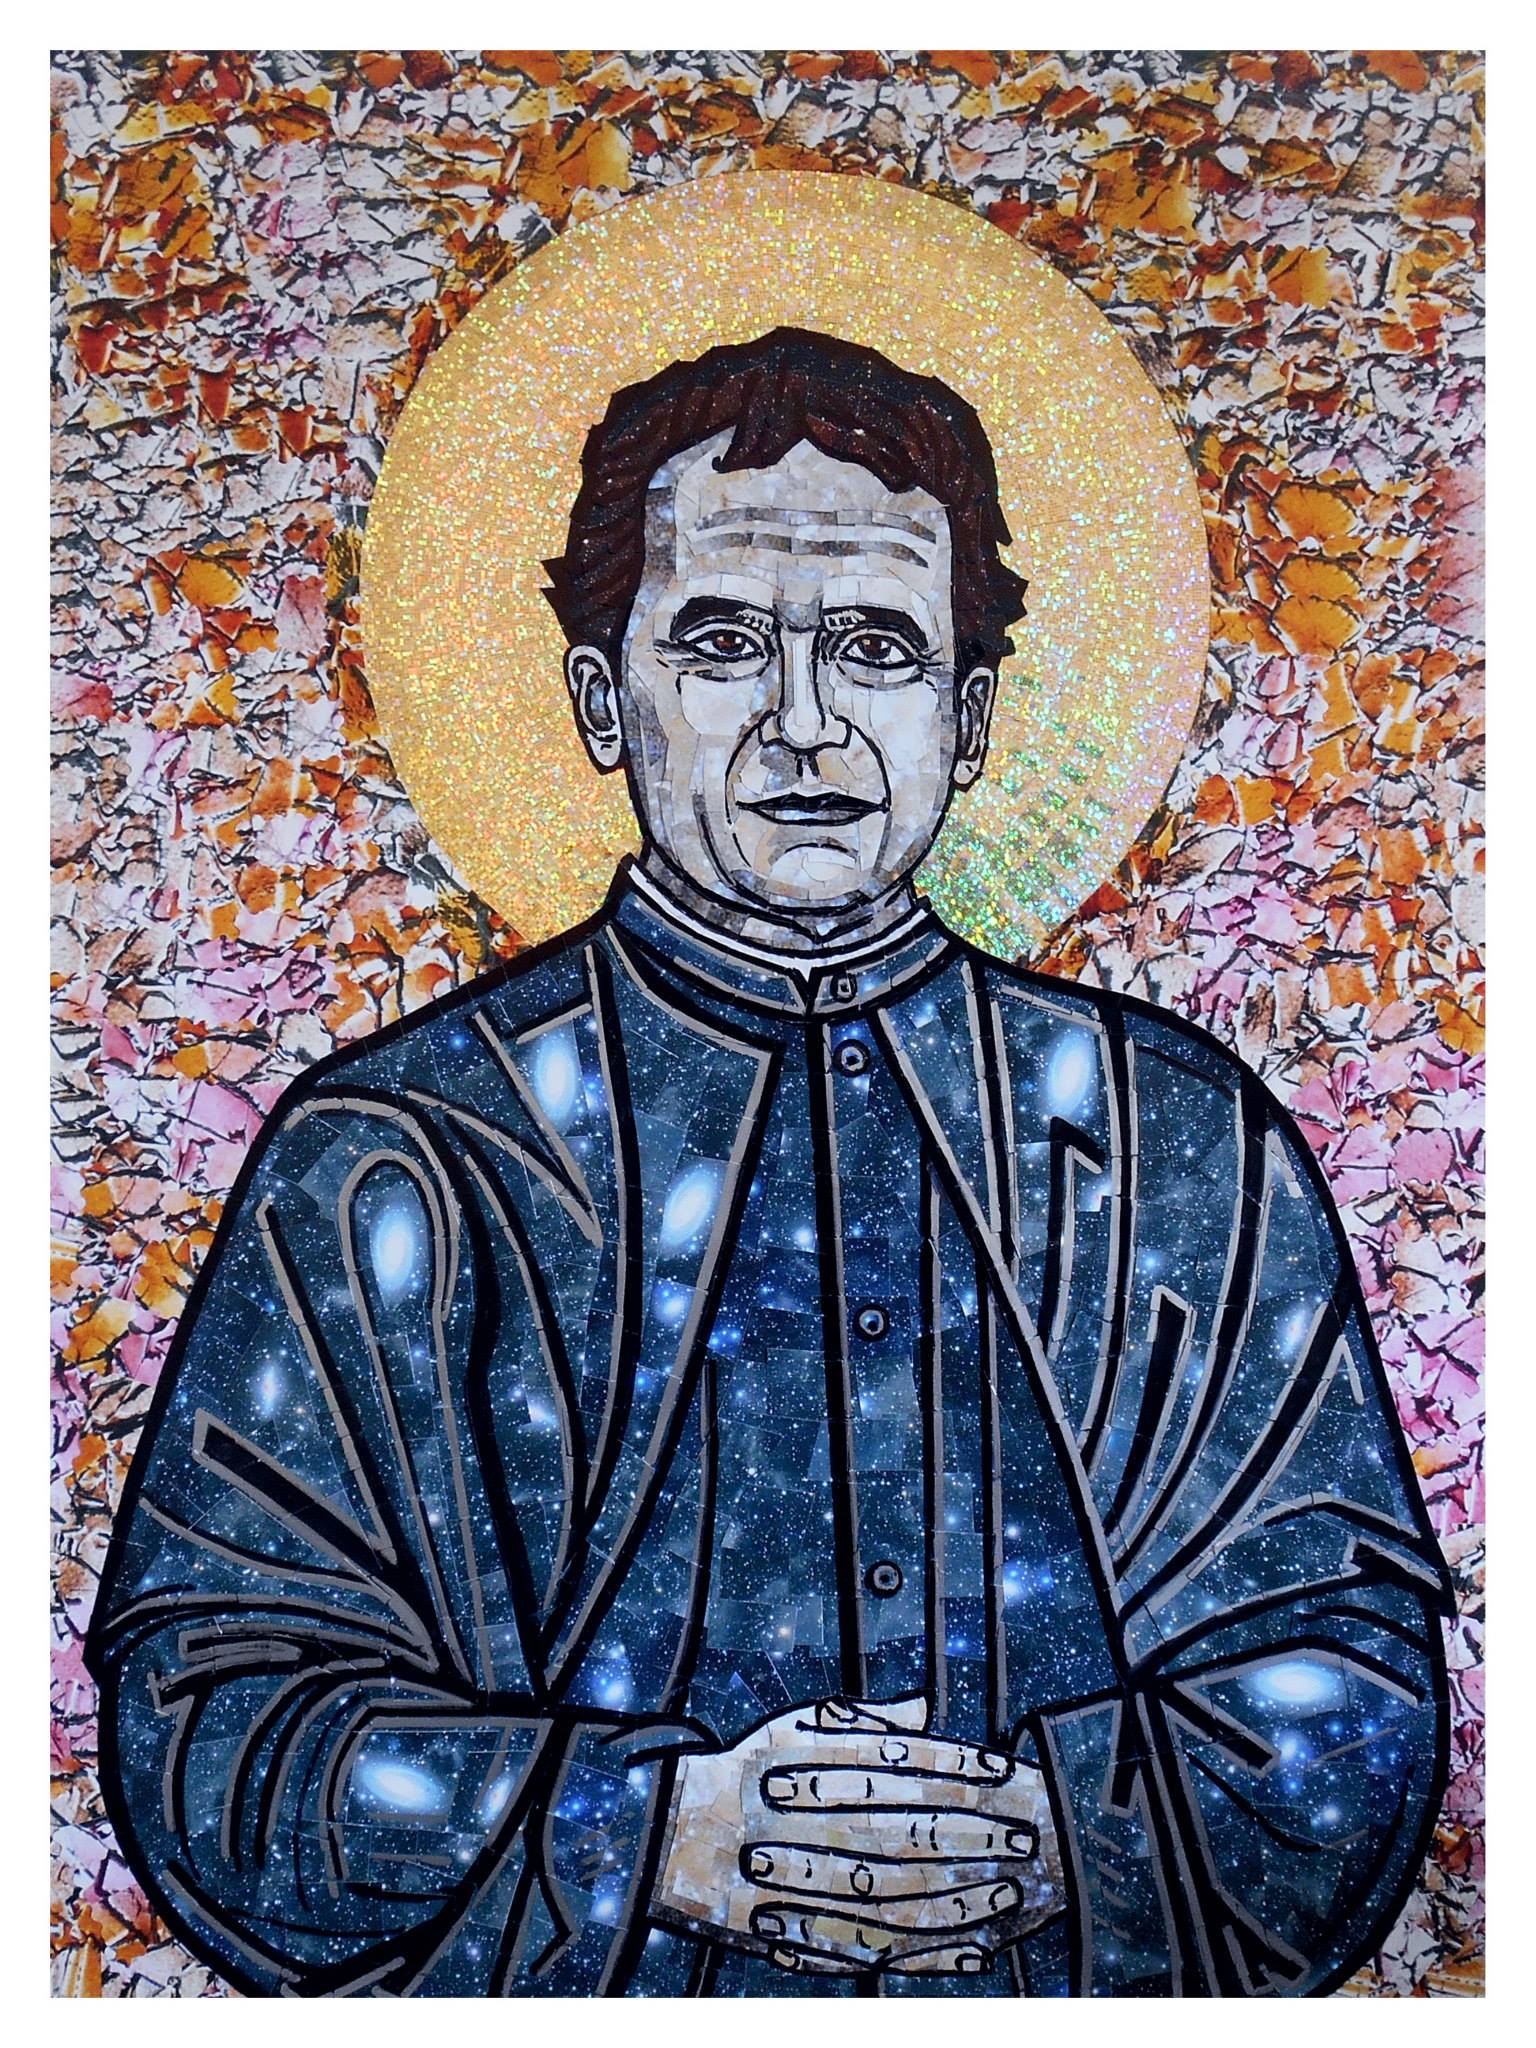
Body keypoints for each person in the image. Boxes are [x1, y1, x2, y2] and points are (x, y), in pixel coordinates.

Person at [87, 327, 1451, 1999]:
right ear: (604, 701)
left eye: (875, 648)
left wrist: (1058, 1835)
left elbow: (1348, 1681)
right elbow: (212, 1721)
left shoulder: (1169, 1135)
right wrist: (646, 1830)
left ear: (967, 716)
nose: (805, 727)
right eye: (725, 643)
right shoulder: (403, 1153)